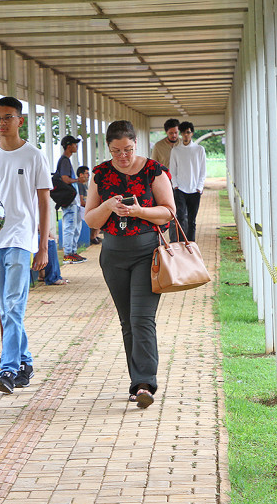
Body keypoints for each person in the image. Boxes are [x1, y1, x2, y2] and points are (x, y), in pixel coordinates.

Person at [84, 120, 175, 409]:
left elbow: (168, 213)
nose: (123, 156)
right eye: (116, 151)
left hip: (148, 252)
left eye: (128, 149)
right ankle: (136, 383)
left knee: (142, 318)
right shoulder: (100, 173)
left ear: (136, 143)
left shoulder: (152, 170)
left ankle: (145, 383)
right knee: (127, 322)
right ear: (108, 148)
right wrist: (108, 206)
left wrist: (139, 211)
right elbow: (91, 221)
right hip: (113, 255)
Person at [0, 96, 52, 394]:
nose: (2, 122)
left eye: (8, 117)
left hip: (21, 238)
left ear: (21, 121)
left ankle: (8, 370)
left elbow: (45, 202)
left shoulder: (34, 156)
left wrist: (42, 245)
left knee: (12, 305)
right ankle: (25, 360)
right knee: (7, 306)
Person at [167, 121, 206, 242]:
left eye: (188, 132)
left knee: (192, 220)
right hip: (180, 190)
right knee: (181, 217)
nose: (186, 135)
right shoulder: (176, 150)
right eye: (183, 133)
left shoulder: (199, 150)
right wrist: (176, 186)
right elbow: (172, 170)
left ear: (192, 133)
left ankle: (191, 244)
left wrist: (200, 187)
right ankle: (182, 243)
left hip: (195, 190)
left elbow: (203, 170)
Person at [56, 135, 87, 264]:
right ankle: (68, 254)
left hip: (73, 201)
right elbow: (64, 178)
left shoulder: (66, 160)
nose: (76, 146)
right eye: (75, 144)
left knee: (74, 226)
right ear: (69, 146)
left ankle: (72, 252)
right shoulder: (64, 161)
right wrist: (77, 180)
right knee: (69, 227)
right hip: (69, 201)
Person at [77, 165, 102, 245]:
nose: (88, 176)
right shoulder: (80, 185)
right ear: (81, 175)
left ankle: (94, 235)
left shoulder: (84, 185)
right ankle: (92, 237)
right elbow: (82, 202)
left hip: (84, 209)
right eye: (86, 173)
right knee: (99, 216)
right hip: (81, 210)